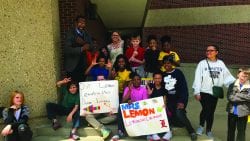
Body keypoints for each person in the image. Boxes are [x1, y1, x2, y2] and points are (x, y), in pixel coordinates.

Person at [192, 45, 235, 138]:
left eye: (211, 50)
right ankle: (201, 126)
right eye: (207, 50)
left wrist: (235, 84)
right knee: (207, 109)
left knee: (211, 111)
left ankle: (208, 130)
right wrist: (197, 91)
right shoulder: (202, 63)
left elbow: (227, 76)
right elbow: (198, 78)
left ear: (216, 52)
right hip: (204, 91)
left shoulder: (220, 63)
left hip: (215, 93)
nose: (208, 52)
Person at [162, 55, 197, 141]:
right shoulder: (162, 75)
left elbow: (184, 89)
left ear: (172, 64)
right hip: (168, 102)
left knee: (179, 114)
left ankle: (191, 131)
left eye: (169, 63)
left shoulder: (178, 73)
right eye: (165, 63)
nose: (167, 65)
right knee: (170, 119)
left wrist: (182, 102)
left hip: (178, 101)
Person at [111, 72, 148, 141]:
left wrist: (134, 103)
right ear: (132, 81)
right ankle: (120, 131)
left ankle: (147, 133)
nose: (136, 81)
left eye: (138, 79)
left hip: (140, 110)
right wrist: (130, 91)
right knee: (121, 107)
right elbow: (123, 101)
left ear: (140, 81)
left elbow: (145, 103)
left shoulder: (144, 89)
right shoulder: (128, 88)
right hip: (130, 111)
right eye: (134, 80)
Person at [64, 15, 92, 82]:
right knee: (72, 87)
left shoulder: (86, 34)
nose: (82, 24)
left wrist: (83, 43)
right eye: (80, 22)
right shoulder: (70, 33)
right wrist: (81, 49)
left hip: (83, 66)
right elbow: (67, 49)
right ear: (76, 23)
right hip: (72, 66)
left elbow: (92, 47)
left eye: (84, 23)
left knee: (82, 86)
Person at [226, 67, 250, 141]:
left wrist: (236, 95)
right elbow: (230, 97)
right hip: (232, 111)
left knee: (241, 131)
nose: (244, 78)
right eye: (242, 75)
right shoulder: (232, 85)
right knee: (230, 130)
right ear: (238, 75)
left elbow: (249, 97)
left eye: (246, 76)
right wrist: (244, 97)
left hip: (243, 112)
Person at [146, 72, 168, 141]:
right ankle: (154, 135)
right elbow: (146, 101)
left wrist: (163, 107)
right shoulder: (150, 87)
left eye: (159, 78)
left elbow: (164, 102)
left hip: (160, 111)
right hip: (151, 110)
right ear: (153, 79)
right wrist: (149, 94)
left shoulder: (164, 89)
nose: (157, 80)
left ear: (161, 79)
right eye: (156, 78)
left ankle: (161, 135)